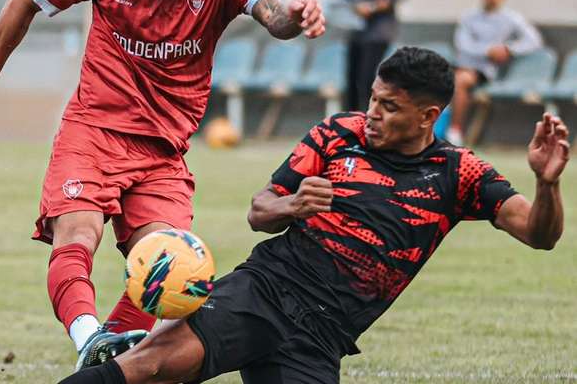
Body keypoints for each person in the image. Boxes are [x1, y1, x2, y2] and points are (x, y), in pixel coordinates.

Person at [0, 0, 326, 369]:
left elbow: (271, 12)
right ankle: (88, 339)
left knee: (171, 264)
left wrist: (294, 19)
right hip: (94, 129)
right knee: (78, 234)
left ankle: (107, 359)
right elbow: (24, 1)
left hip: (164, 148)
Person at [57, 46, 569, 384]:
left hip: (323, 337)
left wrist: (547, 185)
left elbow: (538, 234)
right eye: (372, 98)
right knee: (145, 366)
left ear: (427, 117)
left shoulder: (459, 173)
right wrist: (293, 205)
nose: (372, 112)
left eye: (389, 106)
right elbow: (260, 211)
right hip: (264, 291)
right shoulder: (336, 134)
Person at [446, 0, 542, 146]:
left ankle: (454, 130)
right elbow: (462, 44)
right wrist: (488, 51)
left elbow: (534, 40)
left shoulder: (512, 18)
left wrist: (509, 49)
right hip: (461, 64)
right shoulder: (469, 17)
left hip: (483, 71)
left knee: (460, 80)